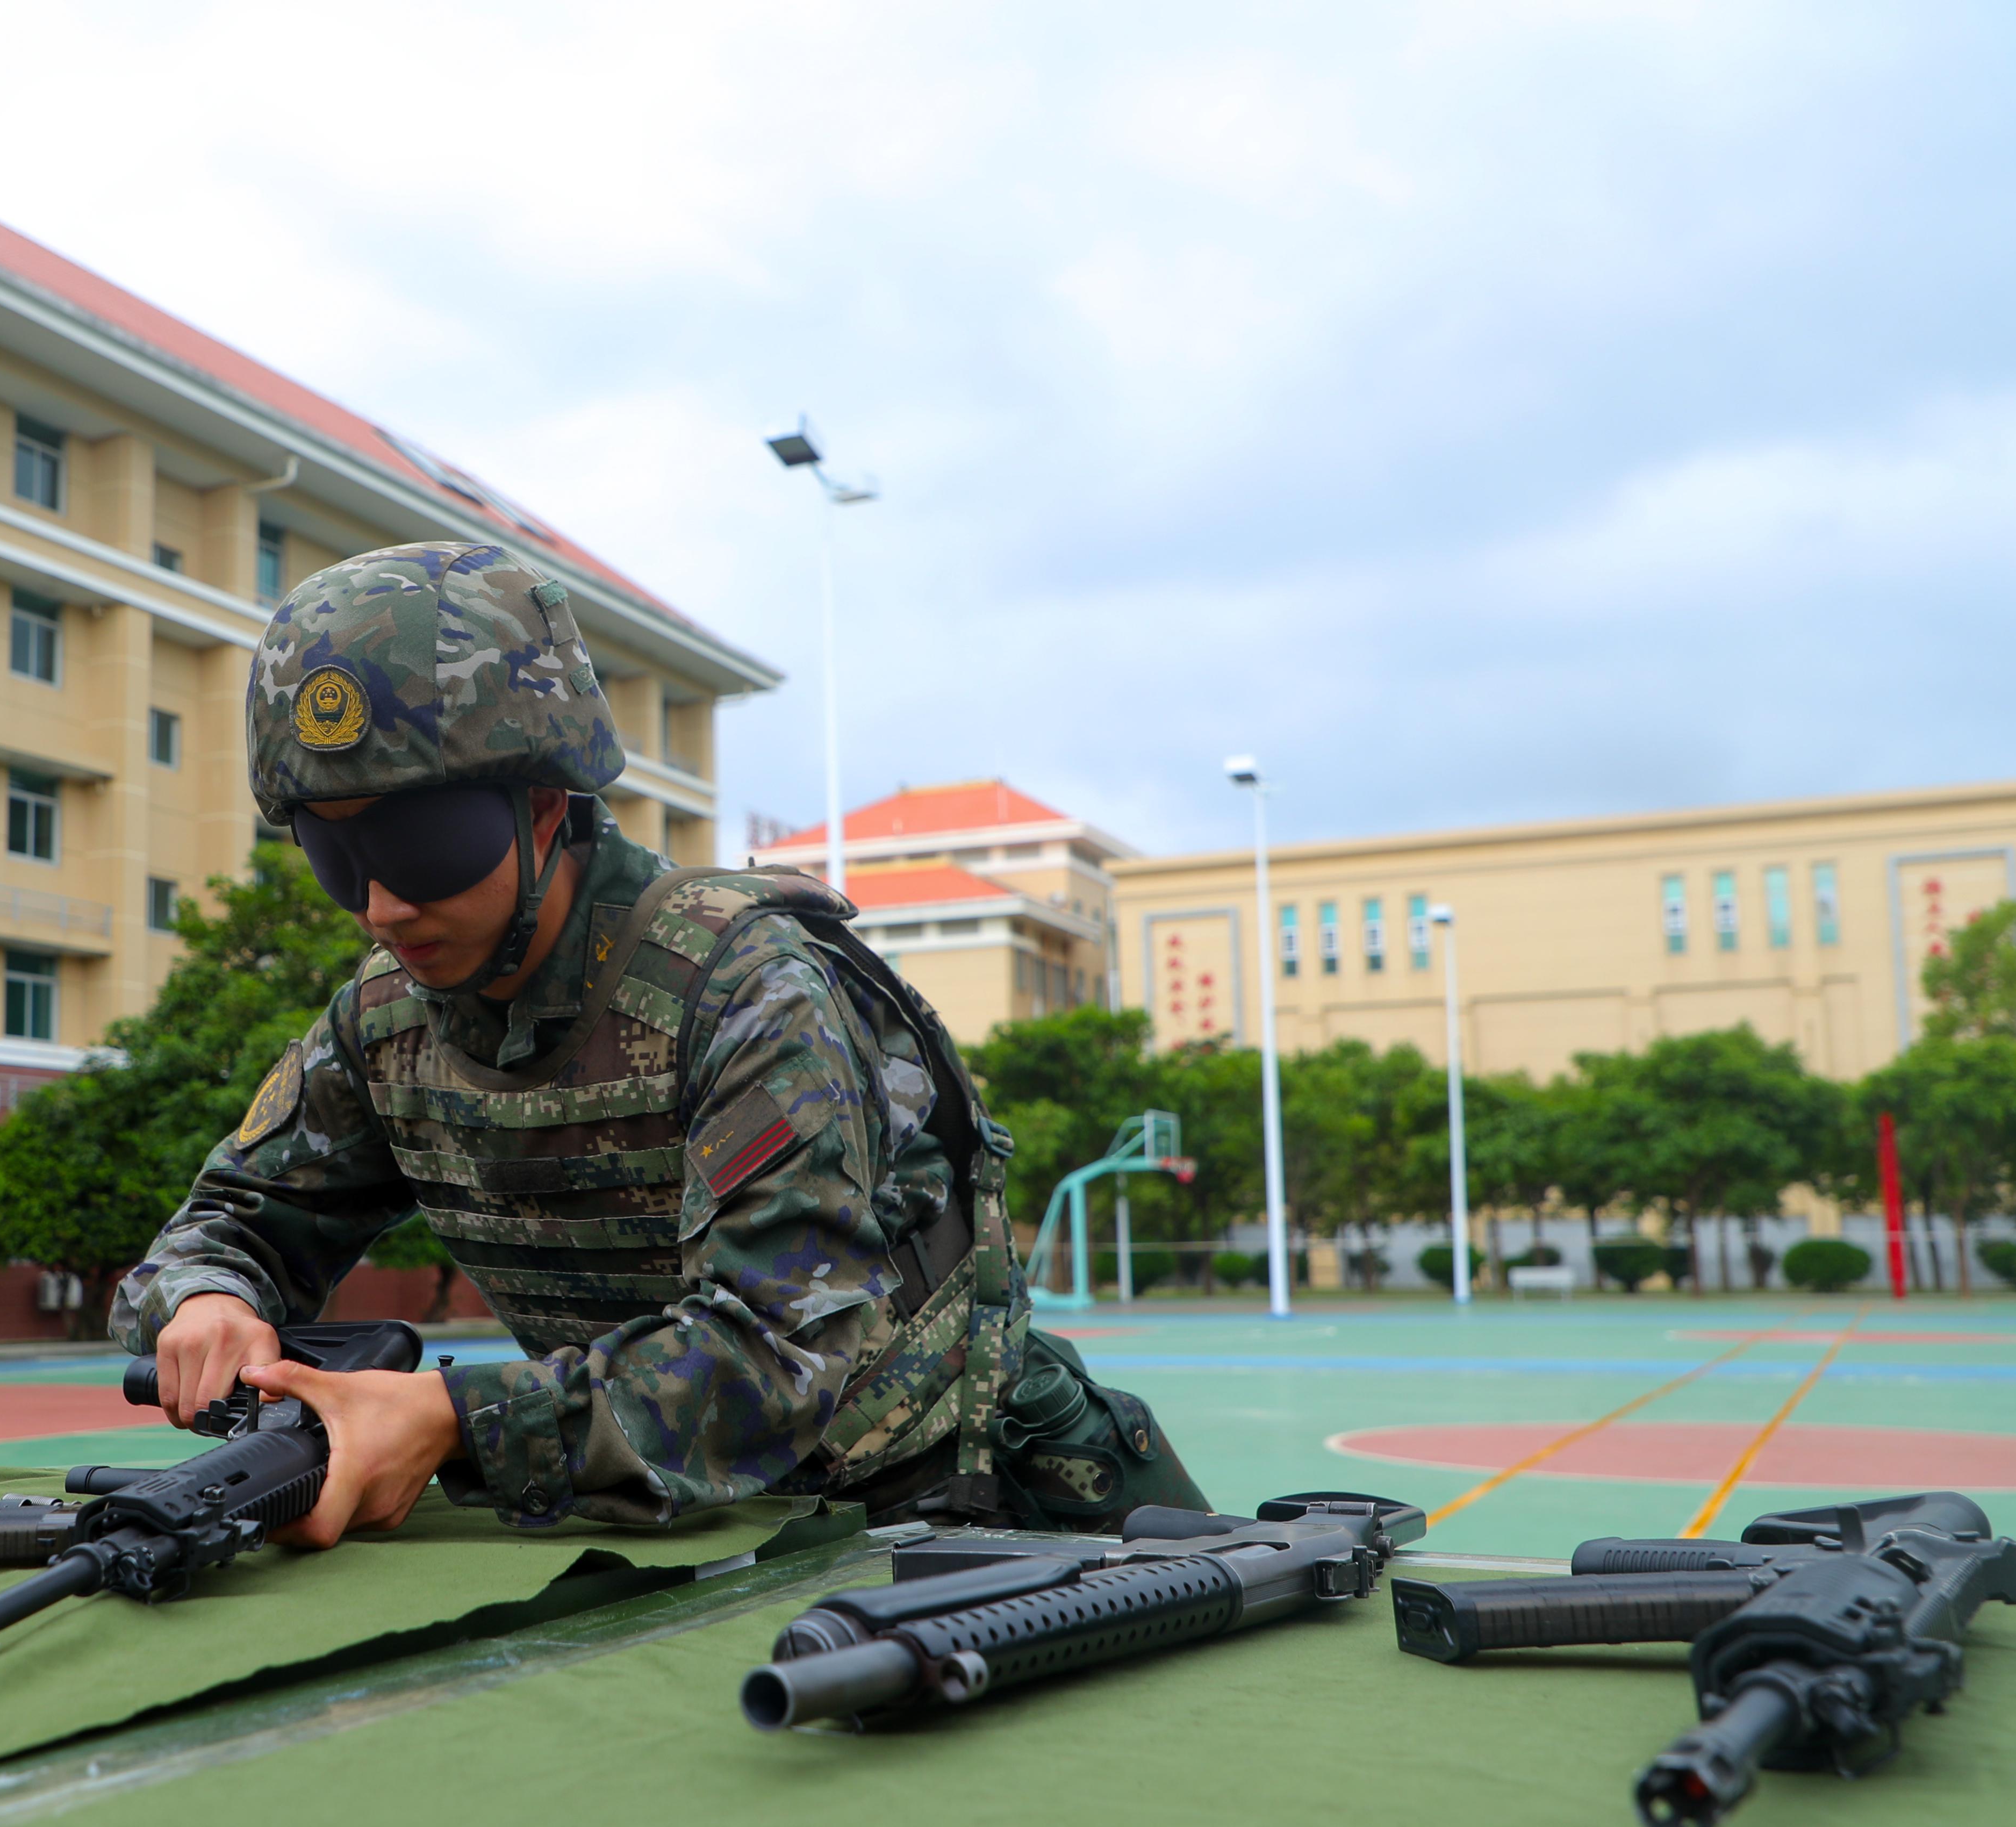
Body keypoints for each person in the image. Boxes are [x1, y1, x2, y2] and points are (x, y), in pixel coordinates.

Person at [111, 540, 1206, 1551]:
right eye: (337, 858)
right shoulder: (385, 1019)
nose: (385, 905)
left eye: (426, 845)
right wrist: (211, 1301)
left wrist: (453, 1420)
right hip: (672, 1532)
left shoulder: (745, 988)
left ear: (546, 810)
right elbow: (227, 1220)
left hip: (953, 1511)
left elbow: (775, 1356)